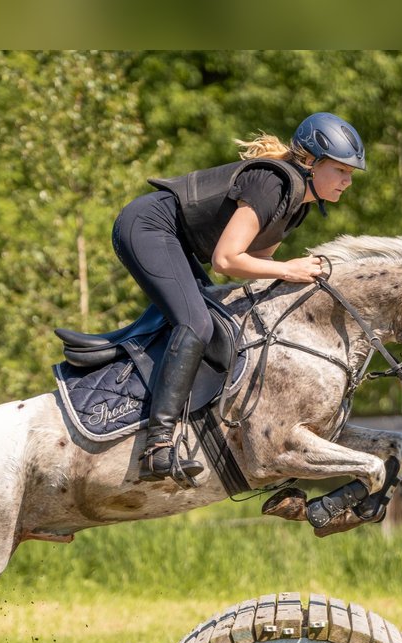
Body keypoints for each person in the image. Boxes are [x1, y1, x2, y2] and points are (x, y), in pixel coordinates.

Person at [112, 112, 367, 484]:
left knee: (220, 329)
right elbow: (227, 260)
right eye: (342, 170)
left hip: (176, 244)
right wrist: (289, 270)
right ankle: (158, 444)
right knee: (197, 323)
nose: (347, 181)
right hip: (147, 227)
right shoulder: (272, 183)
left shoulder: (298, 205)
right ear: (310, 162)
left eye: (350, 174)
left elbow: (258, 264)